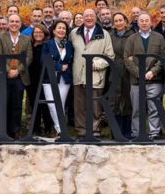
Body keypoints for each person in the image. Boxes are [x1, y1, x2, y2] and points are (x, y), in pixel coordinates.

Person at [70, 9, 114, 138]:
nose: (89, 18)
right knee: (79, 106)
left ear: (96, 18)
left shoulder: (104, 34)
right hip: (78, 75)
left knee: (95, 106)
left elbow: (110, 56)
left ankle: (95, 130)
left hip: (95, 76)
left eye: (91, 16)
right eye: (86, 16)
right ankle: (82, 130)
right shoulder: (74, 33)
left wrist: (97, 65)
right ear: (82, 18)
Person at [0, 14, 32, 139]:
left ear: (20, 23)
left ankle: (15, 131)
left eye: (17, 21)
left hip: (19, 77)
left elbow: (28, 58)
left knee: (16, 104)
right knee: (1, 104)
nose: (14, 23)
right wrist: (8, 70)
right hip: (2, 76)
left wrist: (17, 71)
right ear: (8, 24)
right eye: (12, 21)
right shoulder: (0, 38)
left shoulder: (26, 39)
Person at [124, 12, 165, 140]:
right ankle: (137, 133)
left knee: (154, 108)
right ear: (137, 23)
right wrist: (139, 73)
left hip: (154, 80)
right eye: (141, 20)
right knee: (137, 109)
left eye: (146, 20)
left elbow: (163, 57)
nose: (144, 23)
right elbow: (127, 59)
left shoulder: (159, 38)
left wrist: (153, 72)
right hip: (136, 81)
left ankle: (154, 132)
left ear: (151, 22)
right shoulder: (131, 39)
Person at [41, 20, 73, 137]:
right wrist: (59, 66)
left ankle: (61, 131)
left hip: (65, 79)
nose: (61, 30)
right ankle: (60, 129)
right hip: (49, 78)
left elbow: (71, 60)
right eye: (59, 28)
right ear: (54, 30)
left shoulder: (69, 45)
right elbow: (44, 61)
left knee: (61, 103)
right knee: (51, 104)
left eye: (64, 28)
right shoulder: (47, 44)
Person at [109, 12, 135, 138]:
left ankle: (127, 132)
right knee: (114, 103)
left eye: (121, 20)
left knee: (128, 102)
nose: (118, 23)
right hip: (114, 72)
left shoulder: (132, 36)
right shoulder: (110, 36)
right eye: (116, 21)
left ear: (125, 21)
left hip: (128, 73)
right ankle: (115, 132)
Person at [27, 24, 52, 135]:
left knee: (46, 104)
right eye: (36, 32)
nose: (38, 34)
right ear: (32, 34)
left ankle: (48, 128)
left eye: (40, 32)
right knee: (34, 104)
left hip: (45, 78)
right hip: (32, 79)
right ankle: (36, 128)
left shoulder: (48, 46)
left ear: (44, 34)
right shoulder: (29, 46)